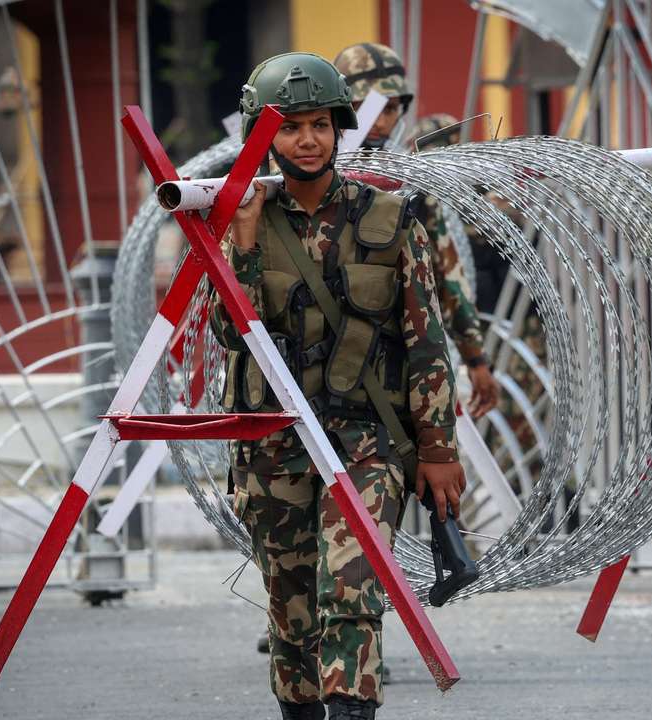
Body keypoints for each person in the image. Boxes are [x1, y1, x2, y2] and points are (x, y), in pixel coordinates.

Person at [209, 52, 463, 720]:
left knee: (351, 592)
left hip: (366, 441)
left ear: (339, 127)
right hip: (273, 444)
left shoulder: (388, 218)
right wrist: (240, 240)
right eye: (289, 127)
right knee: (292, 611)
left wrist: (437, 449)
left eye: (319, 123)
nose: (307, 139)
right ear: (261, 135)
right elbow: (228, 333)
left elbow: (425, 342)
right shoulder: (243, 219)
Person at [333, 42, 499, 418]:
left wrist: (476, 358)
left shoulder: (410, 181)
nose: (377, 119)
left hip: (393, 349)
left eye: (389, 108)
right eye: (364, 106)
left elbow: (447, 271)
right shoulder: (303, 177)